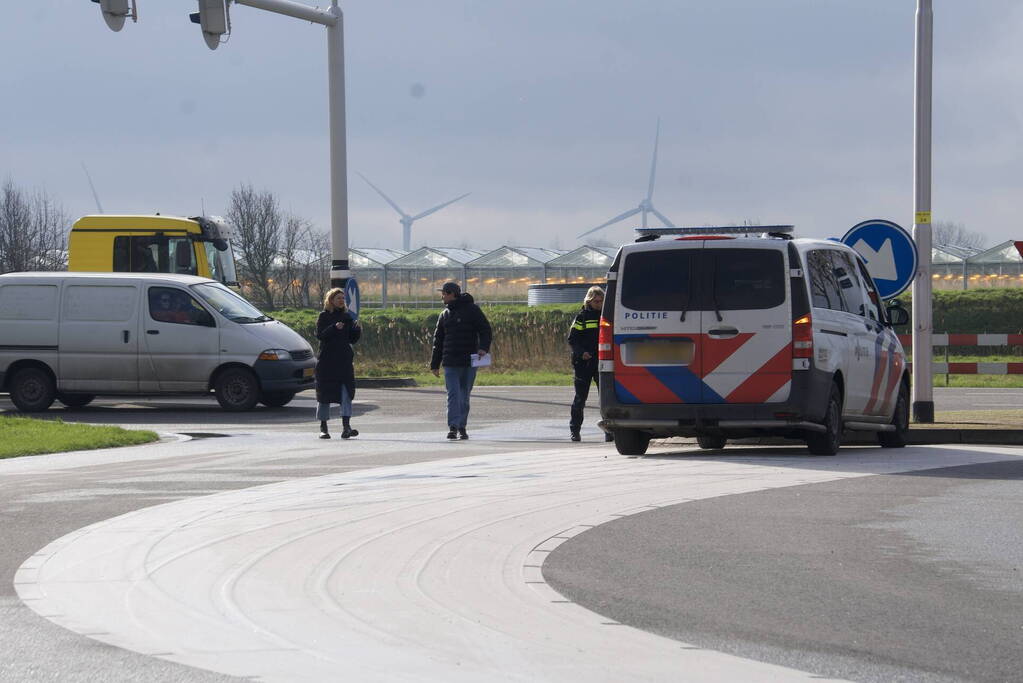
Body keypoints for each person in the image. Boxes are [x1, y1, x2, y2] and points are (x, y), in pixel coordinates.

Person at [430, 281, 492, 440]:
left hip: (469, 361)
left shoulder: (472, 310)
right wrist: (434, 364)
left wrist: (483, 348)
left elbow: (485, 329)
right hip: (450, 361)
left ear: (451, 294)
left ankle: (462, 426)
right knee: (453, 394)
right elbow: (438, 341)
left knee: (464, 395)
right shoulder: (444, 314)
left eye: (444, 293)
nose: (442, 296)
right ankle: (453, 427)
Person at [315, 288, 362, 439]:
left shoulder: (347, 317)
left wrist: (356, 330)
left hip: (343, 362)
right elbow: (320, 335)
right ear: (331, 300)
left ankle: (346, 427)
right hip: (327, 362)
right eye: (338, 298)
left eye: (343, 298)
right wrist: (333, 328)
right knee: (324, 395)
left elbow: (351, 339)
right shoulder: (324, 316)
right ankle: (323, 427)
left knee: (346, 394)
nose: (342, 301)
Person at [567, 285, 612, 442]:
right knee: (580, 398)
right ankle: (575, 430)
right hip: (583, 363)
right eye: (596, 301)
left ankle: (609, 432)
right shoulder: (582, 317)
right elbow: (572, 339)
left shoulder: (607, 317)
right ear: (589, 301)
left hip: (601, 362)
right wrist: (582, 353)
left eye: (601, 301)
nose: (599, 304)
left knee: (606, 398)